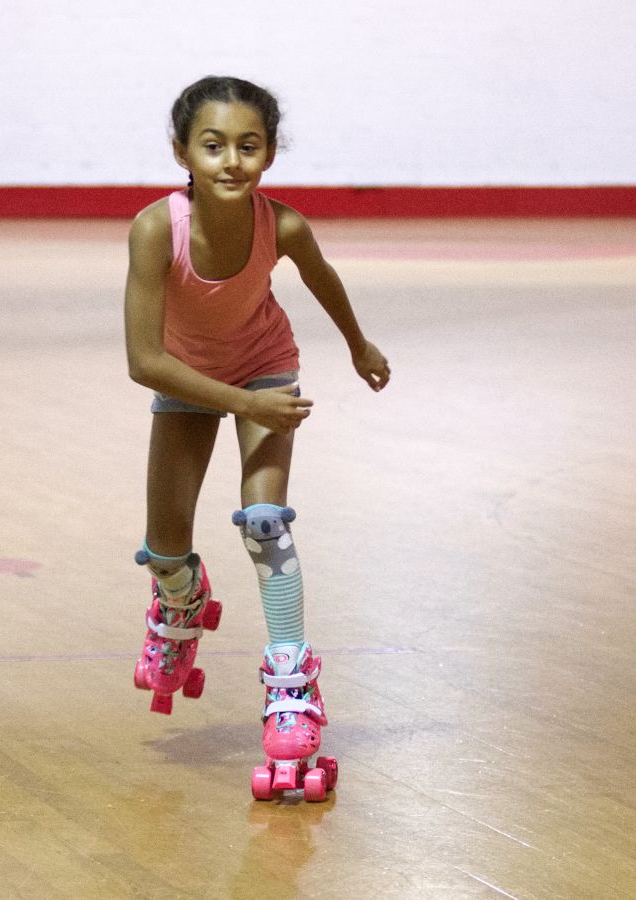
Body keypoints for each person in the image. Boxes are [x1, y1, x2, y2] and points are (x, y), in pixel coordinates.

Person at [124, 75, 390, 799]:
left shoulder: (285, 225)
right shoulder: (156, 228)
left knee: (266, 523)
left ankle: (291, 688)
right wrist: (242, 402)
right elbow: (143, 361)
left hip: (264, 367)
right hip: (187, 378)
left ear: (270, 154)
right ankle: (180, 600)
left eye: (249, 145)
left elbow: (322, 276)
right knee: (165, 547)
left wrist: (358, 345)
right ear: (182, 149)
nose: (232, 161)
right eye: (213, 146)